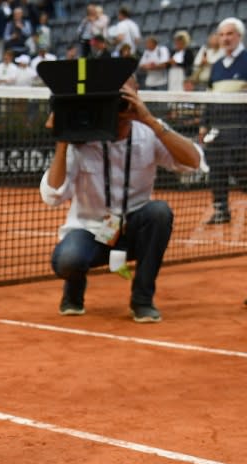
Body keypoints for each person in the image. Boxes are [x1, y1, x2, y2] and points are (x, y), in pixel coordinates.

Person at [41, 78, 204, 323]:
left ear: (137, 95)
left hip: (133, 230)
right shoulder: (83, 136)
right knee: (67, 261)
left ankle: (142, 300)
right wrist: (63, 139)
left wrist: (149, 120)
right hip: (91, 230)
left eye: (125, 94)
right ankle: (74, 289)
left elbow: (194, 161)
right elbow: (53, 196)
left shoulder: (149, 131)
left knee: (159, 212)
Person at [199, 17, 247, 225]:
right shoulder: (216, 66)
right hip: (217, 130)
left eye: (230, 34)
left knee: (242, 172)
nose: (225, 38)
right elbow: (209, 98)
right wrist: (203, 124)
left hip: (241, 129)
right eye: (222, 35)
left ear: (239, 36)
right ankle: (221, 210)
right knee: (216, 171)